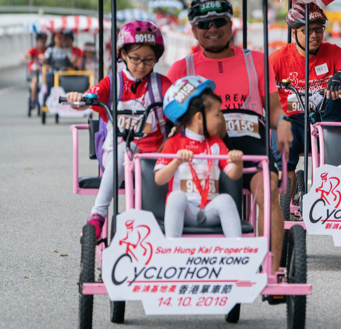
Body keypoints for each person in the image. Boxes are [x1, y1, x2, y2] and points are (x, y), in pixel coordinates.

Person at [166, 0, 291, 280]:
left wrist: (284, 121)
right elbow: (170, 122)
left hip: (250, 146)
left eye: (219, 21)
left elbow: (274, 111)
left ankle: (268, 272)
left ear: (231, 23)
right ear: (194, 29)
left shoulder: (257, 61)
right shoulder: (180, 69)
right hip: (202, 153)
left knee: (269, 189)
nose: (212, 29)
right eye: (204, 23)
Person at [66, 21, 170, 239]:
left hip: (155, 157)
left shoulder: (162, 85)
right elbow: (89, 97)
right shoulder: (112, 83)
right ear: (123, 54)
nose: (142, 65)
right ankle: (98, 214)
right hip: (116, 154)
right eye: (135, 58)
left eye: (149, 60)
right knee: (126, 147)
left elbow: (180, 112)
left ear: (156, 58)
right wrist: (77, 99)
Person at [269, 2, 341, 196]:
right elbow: (262, 88)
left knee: (334, 101)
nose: (314, 35)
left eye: (319, 29)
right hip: (292, 122)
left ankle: (336, 193)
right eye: (308, 30)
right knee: (280, 147)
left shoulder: (332, 51)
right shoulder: (278, 58)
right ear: (294, 33)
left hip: (326, 121)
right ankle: (284, 208)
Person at [155, 76, 244, 239]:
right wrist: (176, 161)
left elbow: (234, 175)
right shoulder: (173, 144)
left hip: (210, 210)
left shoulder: (217, 144)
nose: (220, 120)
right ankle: (171, 249)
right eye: (217, 115)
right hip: (185, 212)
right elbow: (159, 179)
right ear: (199, 117)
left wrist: (237, 162)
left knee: (225, 200)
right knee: (176, 197)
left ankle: (238, 251)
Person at [23, 34, 47, 104]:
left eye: (44, 41)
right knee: (35, 80)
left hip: (43, 71)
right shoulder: (33, 50)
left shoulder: (47, 50)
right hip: (34, 71)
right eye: (41, 41)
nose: (43, 43)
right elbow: (26, 56)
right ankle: (33, 99)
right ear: (37, 41)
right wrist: (27, 57)